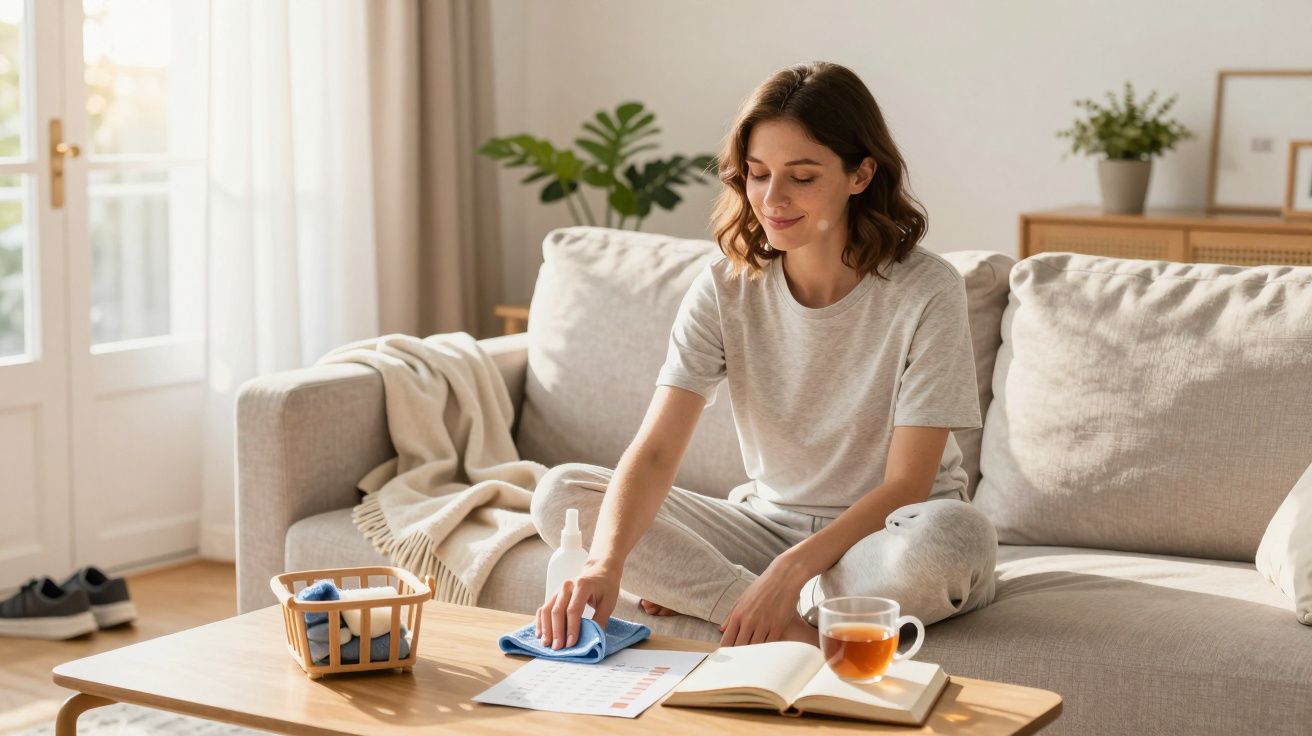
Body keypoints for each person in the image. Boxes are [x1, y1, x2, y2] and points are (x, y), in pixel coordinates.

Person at [530, 61, 998, 651]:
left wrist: (787, 573)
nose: (772, 199)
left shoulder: (927, 290)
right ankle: (787, 624)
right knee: (564, 494)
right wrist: (606, 564)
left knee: (954, 541)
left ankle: (747, 601)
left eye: (801, 177)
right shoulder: (726, 287)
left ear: (861, 174)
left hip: (891, 532)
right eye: (757, 174)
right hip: (765, 525)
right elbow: (653, 453)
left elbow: (908, 484)